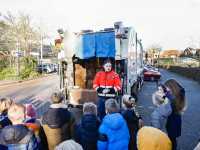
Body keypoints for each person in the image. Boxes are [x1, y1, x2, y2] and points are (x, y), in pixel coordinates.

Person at [164, 78, 186, 150]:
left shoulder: (171, 98)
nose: (166, 89)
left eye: (167, 87)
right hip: (176, 119)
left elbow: (167, 111)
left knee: (170, 140)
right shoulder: (179, 94)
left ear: (171, 86)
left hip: (171, 122)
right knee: (173, 139)